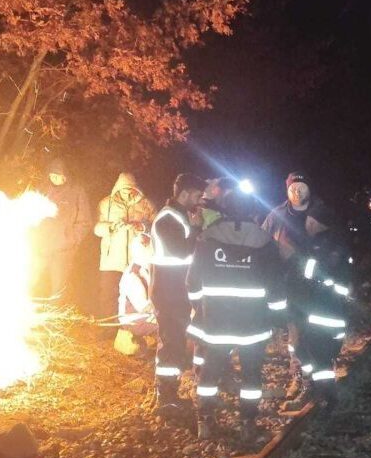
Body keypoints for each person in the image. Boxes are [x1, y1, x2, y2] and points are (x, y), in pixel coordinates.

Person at [187, 188, 286, 440]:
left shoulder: (207, 238)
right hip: (253, 324)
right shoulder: (265, 241)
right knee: (251, 374)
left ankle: (205, 421)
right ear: (252, 210)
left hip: (216, 321)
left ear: (224, 208)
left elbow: (192, 282)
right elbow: (275, 286)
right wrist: (277, 320)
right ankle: (248, 424)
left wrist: (200, 309)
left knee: (210, 372)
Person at [261, 172, 334, 405]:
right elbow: (262, 242)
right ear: (286, 189)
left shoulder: (320, 213)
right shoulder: (276, 215)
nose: (297, 191)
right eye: (293, 187)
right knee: (294, 334)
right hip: (286, 285)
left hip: (315, 287)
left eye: (301, 186)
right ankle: (300, 378)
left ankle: (316, 382)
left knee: (312, 335)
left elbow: (332, 248)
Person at [150, 173, 205, 418]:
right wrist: (195, 230)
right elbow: (181, 254)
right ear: (183, 193)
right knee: (170, 342)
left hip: (175, 290)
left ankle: (171, 394)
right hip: (168, 290)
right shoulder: (167, 218)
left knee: (175, 341)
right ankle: (166, 398)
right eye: (196, 194)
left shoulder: (178, 215)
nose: (198, 199)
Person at [289, 230, 352, 408]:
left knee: (320, 362)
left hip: (320, 322)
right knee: (311, 356)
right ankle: (317, 389)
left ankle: (328, 399)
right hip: (332, 322)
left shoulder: (316, 261)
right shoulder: (343, 261)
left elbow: (304, 283)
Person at [94, 172, 155, 319]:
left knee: (136, 296)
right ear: (118, 189)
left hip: (137, 260)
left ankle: (132, 329)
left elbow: (156, 226)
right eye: (124, 190)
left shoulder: (146, 204)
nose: (127, 193)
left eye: (130, 190)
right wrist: (112, 227)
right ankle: (107, 329)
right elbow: (96, 228)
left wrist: (141, 226)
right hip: (112, 260)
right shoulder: (105, 204)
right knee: (108, 295)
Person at [35, 158, 91, 299]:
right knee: (31, 282)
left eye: (57, 174)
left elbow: (84, 222)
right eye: (51, 174)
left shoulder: (76, 191)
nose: (53, 177)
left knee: (57, 289)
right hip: (40, 247)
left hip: (63, 250)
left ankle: (56, 317)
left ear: (65, 175)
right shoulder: (43, 190)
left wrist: (71, 239)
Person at [114, 232, 157, 356]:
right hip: (133, 321)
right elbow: (144, 308)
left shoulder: (144, 269)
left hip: (142, 316)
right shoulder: (133, 276)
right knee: (169, 325)